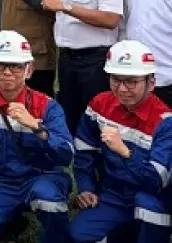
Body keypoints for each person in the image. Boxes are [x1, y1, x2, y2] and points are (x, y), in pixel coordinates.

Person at [0, 30, 74, 243]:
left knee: (49, 203)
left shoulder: (47, 106)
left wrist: (37, 128)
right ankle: (12, 221)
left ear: (29, 70)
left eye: (16, 66)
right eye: (0, 65)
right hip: (1, 180)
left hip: (43, 176)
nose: (7, 72)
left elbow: (66, 156)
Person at [69, 40, 172, 243]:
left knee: (147, 210)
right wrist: (86, 187)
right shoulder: (100, 104)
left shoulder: (165, 122)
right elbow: (84, 150)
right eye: (116, 80)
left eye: (131, 81)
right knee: (78, 236)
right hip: (112, 196)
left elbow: (156, 181)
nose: (122, 89)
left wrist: (125, 152)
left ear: (151, 83)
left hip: (153, 199)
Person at [44, 0, 124, 132]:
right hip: (68, 59)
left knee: (98, 120)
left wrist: (66, 7)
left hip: (95, 61)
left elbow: (111, 19)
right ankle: (79, 163)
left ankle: (101, 164)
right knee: (70, 117)